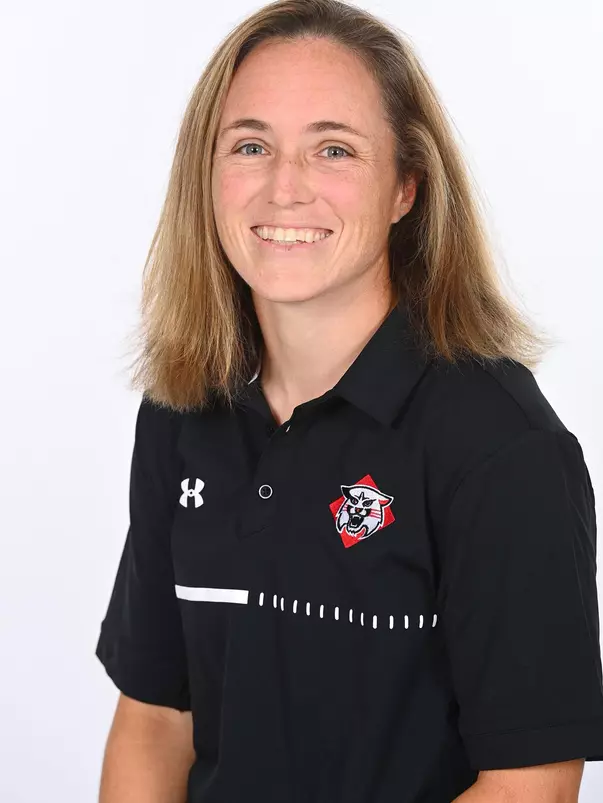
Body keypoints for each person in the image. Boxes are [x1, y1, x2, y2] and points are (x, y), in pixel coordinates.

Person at [94, 1, 603, 801]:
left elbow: (527, 785)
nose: (283, 188)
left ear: (405, 186)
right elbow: (157, 720)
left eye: (333, 149)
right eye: (251, 145)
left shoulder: (500, 444)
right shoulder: (180, 411)